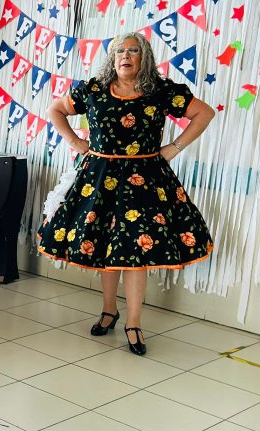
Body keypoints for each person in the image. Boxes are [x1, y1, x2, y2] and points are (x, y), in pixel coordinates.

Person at [40, 33, 215, 355]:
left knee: (137, 253)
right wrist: (76, 143)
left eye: (133, 50)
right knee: (105, 248)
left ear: (144, 57)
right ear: (112, 57)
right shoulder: (92, 89)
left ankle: (134, 322)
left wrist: (174, 148)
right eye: (120, 51)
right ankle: (109, 311)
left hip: (145, 181)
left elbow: (204, 113)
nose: (125, 55)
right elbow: (56, 111)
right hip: (100, 179)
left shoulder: (161, 91)